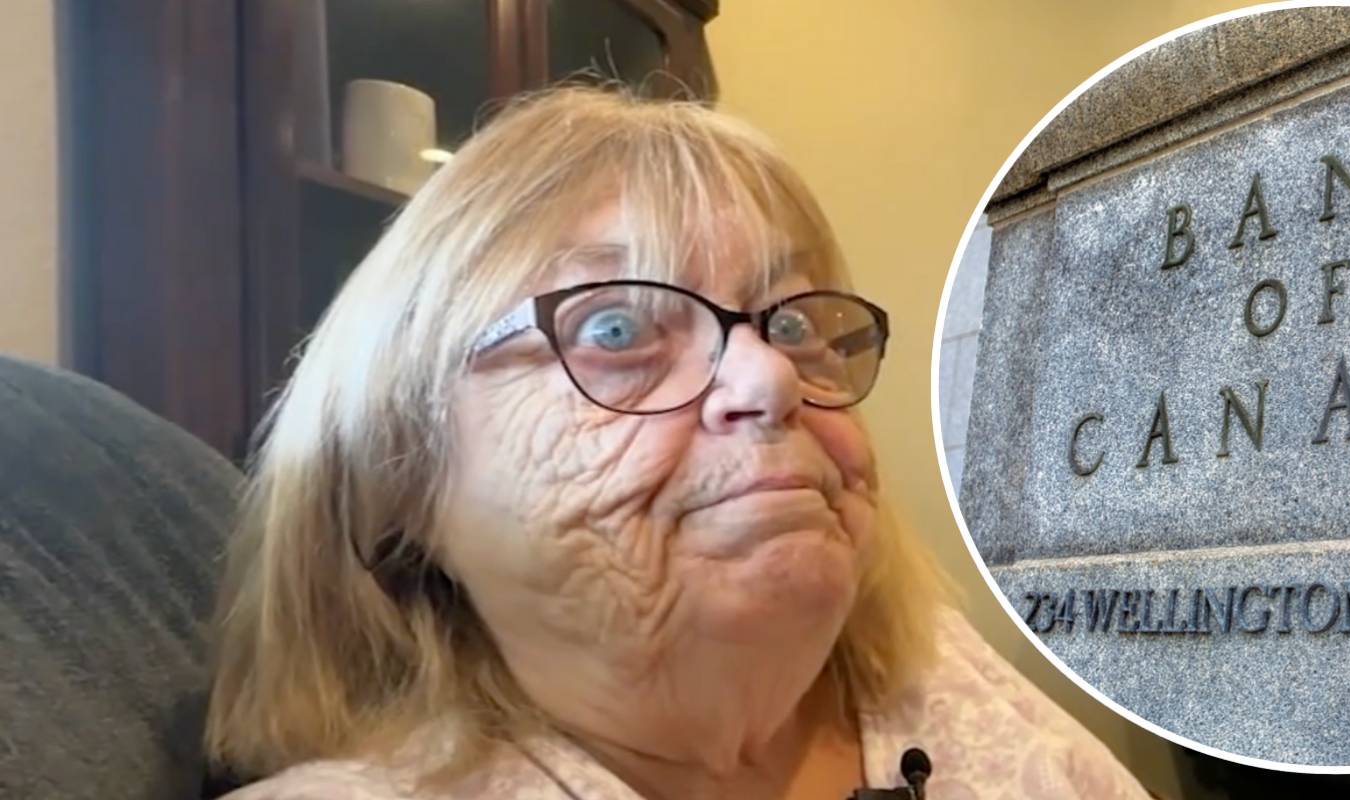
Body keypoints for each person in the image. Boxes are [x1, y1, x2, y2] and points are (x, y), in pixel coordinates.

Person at [203, 88, 1150, 799]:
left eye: (790, 324)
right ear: (401, 480)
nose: (773, 378)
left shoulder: (948, 672)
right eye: (615, 331)